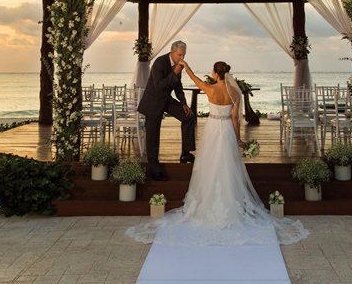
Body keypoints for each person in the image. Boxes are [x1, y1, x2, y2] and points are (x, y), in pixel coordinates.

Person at [127, 59, 307, 246]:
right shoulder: (234, 93)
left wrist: (186, 67)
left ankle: (207, 203)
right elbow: (236, 119)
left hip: (212, 129)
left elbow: (195, 79)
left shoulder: (210, 89)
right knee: (228, 166)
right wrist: (238, 139)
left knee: (209, 165)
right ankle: (231, 205)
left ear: (215, 73)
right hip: (227, 131)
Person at [137, 40, 196, 181]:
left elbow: (177, 86)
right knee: (153, 137)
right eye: (180, 55)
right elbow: (160, 86)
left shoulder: (178, 65)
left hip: (166, 100)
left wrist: (183, 103)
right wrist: (175, 72)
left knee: (189, 117)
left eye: (184, 56)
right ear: (172, 51)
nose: (182, 59)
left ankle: (185, 152)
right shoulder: (159, 63)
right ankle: (155, 169)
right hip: (153, 101)